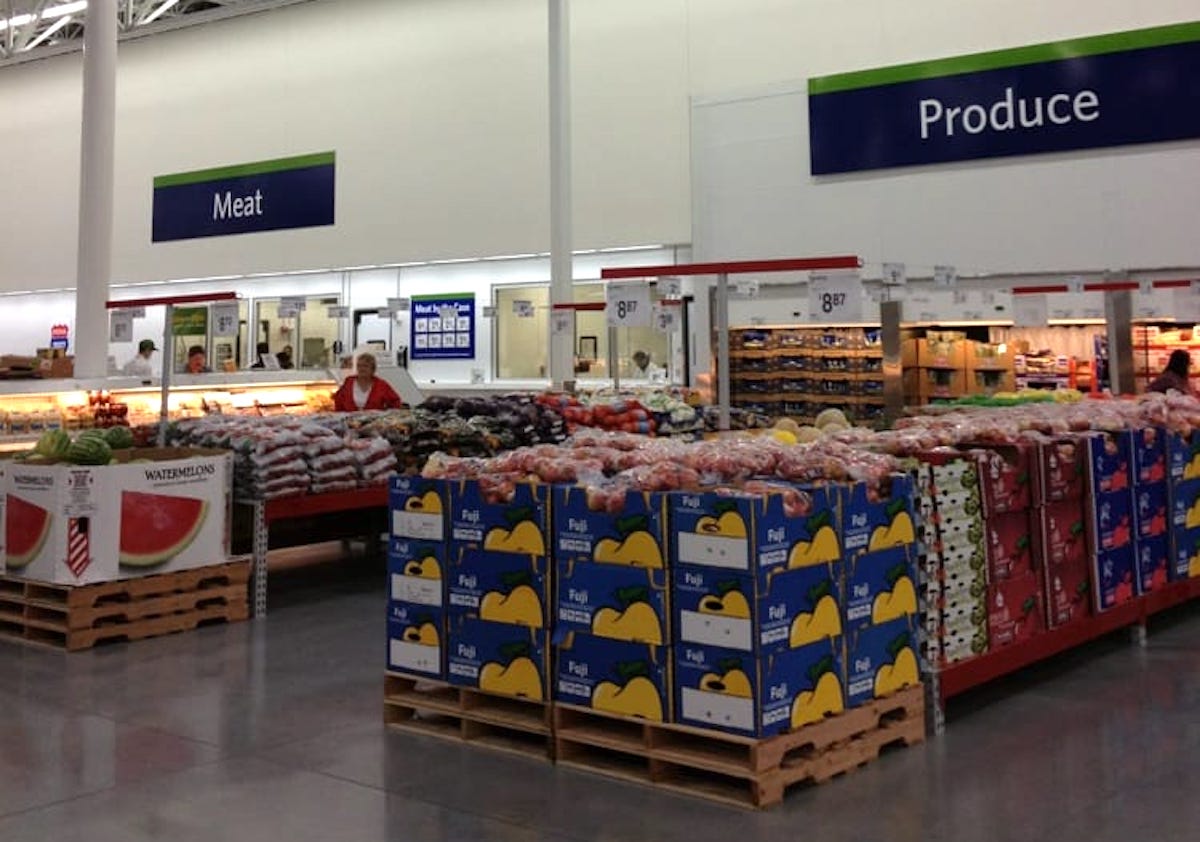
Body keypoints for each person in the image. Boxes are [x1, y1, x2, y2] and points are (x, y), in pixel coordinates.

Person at [333, 352, 402, 411]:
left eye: (365, 366)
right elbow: (338, 400)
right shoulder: (349, 381)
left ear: (372, 369)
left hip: (374, 424)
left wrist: (387, 416)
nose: (362, 369)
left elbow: (396, 402)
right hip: (349, 422)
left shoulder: (381, 385)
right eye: (359, 366)